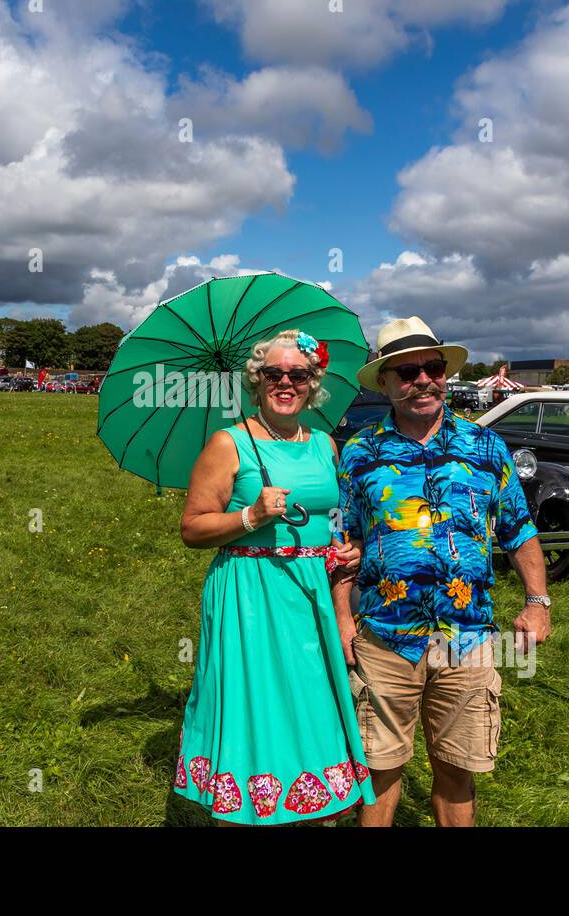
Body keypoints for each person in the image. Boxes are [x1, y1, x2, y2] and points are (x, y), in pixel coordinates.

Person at [334, 317, 551, 827]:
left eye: (431, 368)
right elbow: (346, 544)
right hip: (386, 637)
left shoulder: (486, 447)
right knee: (379, 771)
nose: (422, 381)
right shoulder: (359, 453)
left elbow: (518, 530)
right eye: (406, 373)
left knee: (458, 768)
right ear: (385, 383)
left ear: (445, 374)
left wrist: (537, 602)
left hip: (468, 638)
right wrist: (344, 620)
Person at [174, 329, 375, 825]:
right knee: (259, 702)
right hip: (251, 591)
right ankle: (252, 806)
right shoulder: (229, 443)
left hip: (312, 594)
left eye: (298, 374)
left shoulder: (326, 444)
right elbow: (193, 528)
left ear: (313, 382)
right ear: (256, 381)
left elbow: (333, 517)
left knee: (313, 702)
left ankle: (312, 805)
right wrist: (251, 518)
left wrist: (346, 548)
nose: (286, 383)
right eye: (274, 374)